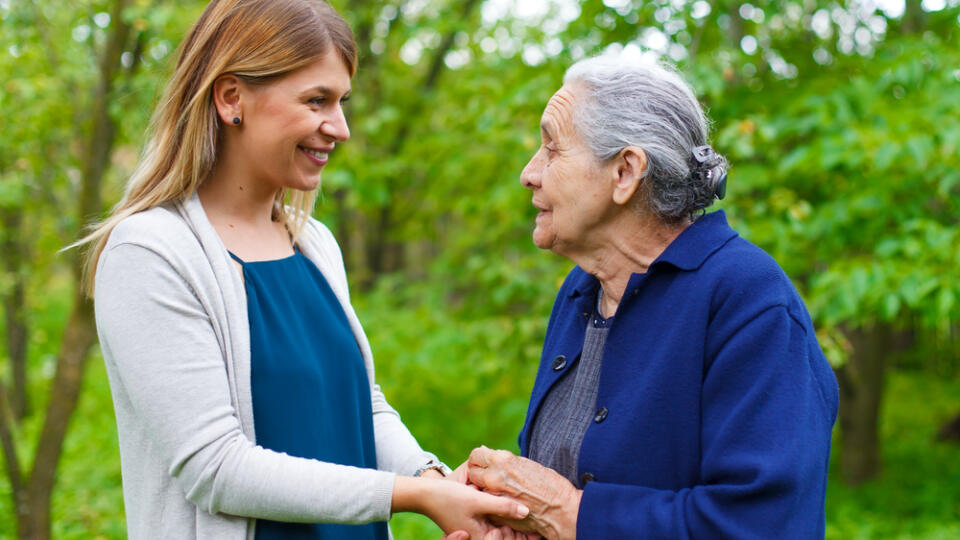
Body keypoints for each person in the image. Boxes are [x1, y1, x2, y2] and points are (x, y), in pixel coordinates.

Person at [79, 1, 528, 538]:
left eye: (342, 102)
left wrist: (431, 476)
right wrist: (412, 496)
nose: (339, 128)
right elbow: (216, 468)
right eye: (317, 100)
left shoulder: (314, 245)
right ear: (231, 99)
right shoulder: (151, 254)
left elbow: (358, 402)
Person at [464, 54, 840, 539]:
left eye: (552, 149)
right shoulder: (582, 291)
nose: (529, 173)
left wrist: (568, 512)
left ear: (625, 172)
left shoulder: (748, 301)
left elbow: (760, 525)